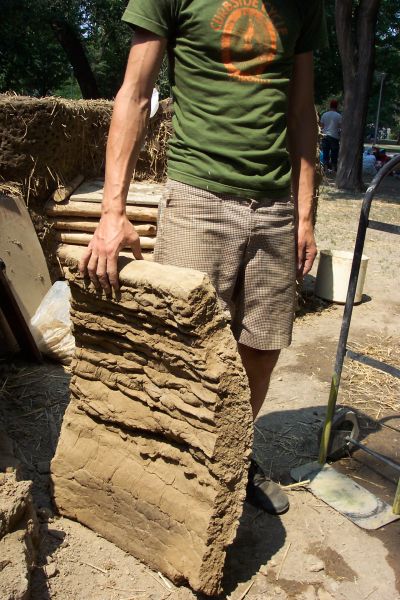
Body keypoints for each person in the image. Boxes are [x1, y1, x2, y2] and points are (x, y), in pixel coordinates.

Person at [79, 0, 328, 515]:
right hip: (198, 199)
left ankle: (234, 456)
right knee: (183, 347)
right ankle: (175, 468)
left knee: (261, 347)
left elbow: (302, 112)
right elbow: (135, 94)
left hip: (275, 206)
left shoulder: (306, 3)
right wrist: (112, 212)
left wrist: (304, 214)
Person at [320, 99, 342, 172]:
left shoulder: (324, 114)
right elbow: (340, 127)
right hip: (334, 136)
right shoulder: (339, 116)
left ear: (330, 106)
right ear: (337, 106)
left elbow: (321, 126)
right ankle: (333, 169)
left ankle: (326, 169)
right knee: (334, 153)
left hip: (325, 136)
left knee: (325, 152)